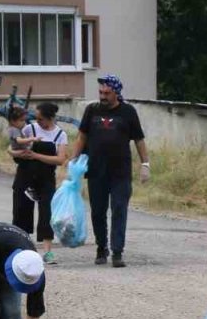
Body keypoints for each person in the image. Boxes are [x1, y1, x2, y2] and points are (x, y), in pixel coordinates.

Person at [70, 75, 149, 268]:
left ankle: (117, 252)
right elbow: (82, 136)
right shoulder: (92, 110)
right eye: (100, 93)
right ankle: (101, 248)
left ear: (116, 93)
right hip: (96, 170)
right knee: (98, 211)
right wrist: (74, 159)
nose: (103, 96)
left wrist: (145, 164)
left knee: (119, 210)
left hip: (120, 172)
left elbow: (139, 139)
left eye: (107, 93)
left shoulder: (128, 112)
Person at [13, 102, 69, 264]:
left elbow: (60, 159)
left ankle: (48, 252)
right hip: (25, 175)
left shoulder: (60, 135)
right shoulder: (29, 129)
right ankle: (22, 249)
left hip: (46, 178)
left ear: (51, 118)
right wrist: (21, 154)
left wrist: (36, 156)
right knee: (21, 211)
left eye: (41, 119)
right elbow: (14, 148)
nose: (38, 121)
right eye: (36, 118)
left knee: (47, 213)